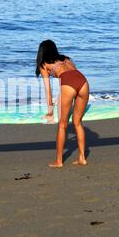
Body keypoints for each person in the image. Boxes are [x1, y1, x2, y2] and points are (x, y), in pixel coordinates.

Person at [35, 40, 90, 168]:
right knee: (77, 122)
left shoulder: (44, 65)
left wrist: (50, 111)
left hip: (68, 83)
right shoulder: (66, 58)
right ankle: (82, 158)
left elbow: (48, 90)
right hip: (83, 81)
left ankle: (59, 161)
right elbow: (72, 73)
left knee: (62, 124)